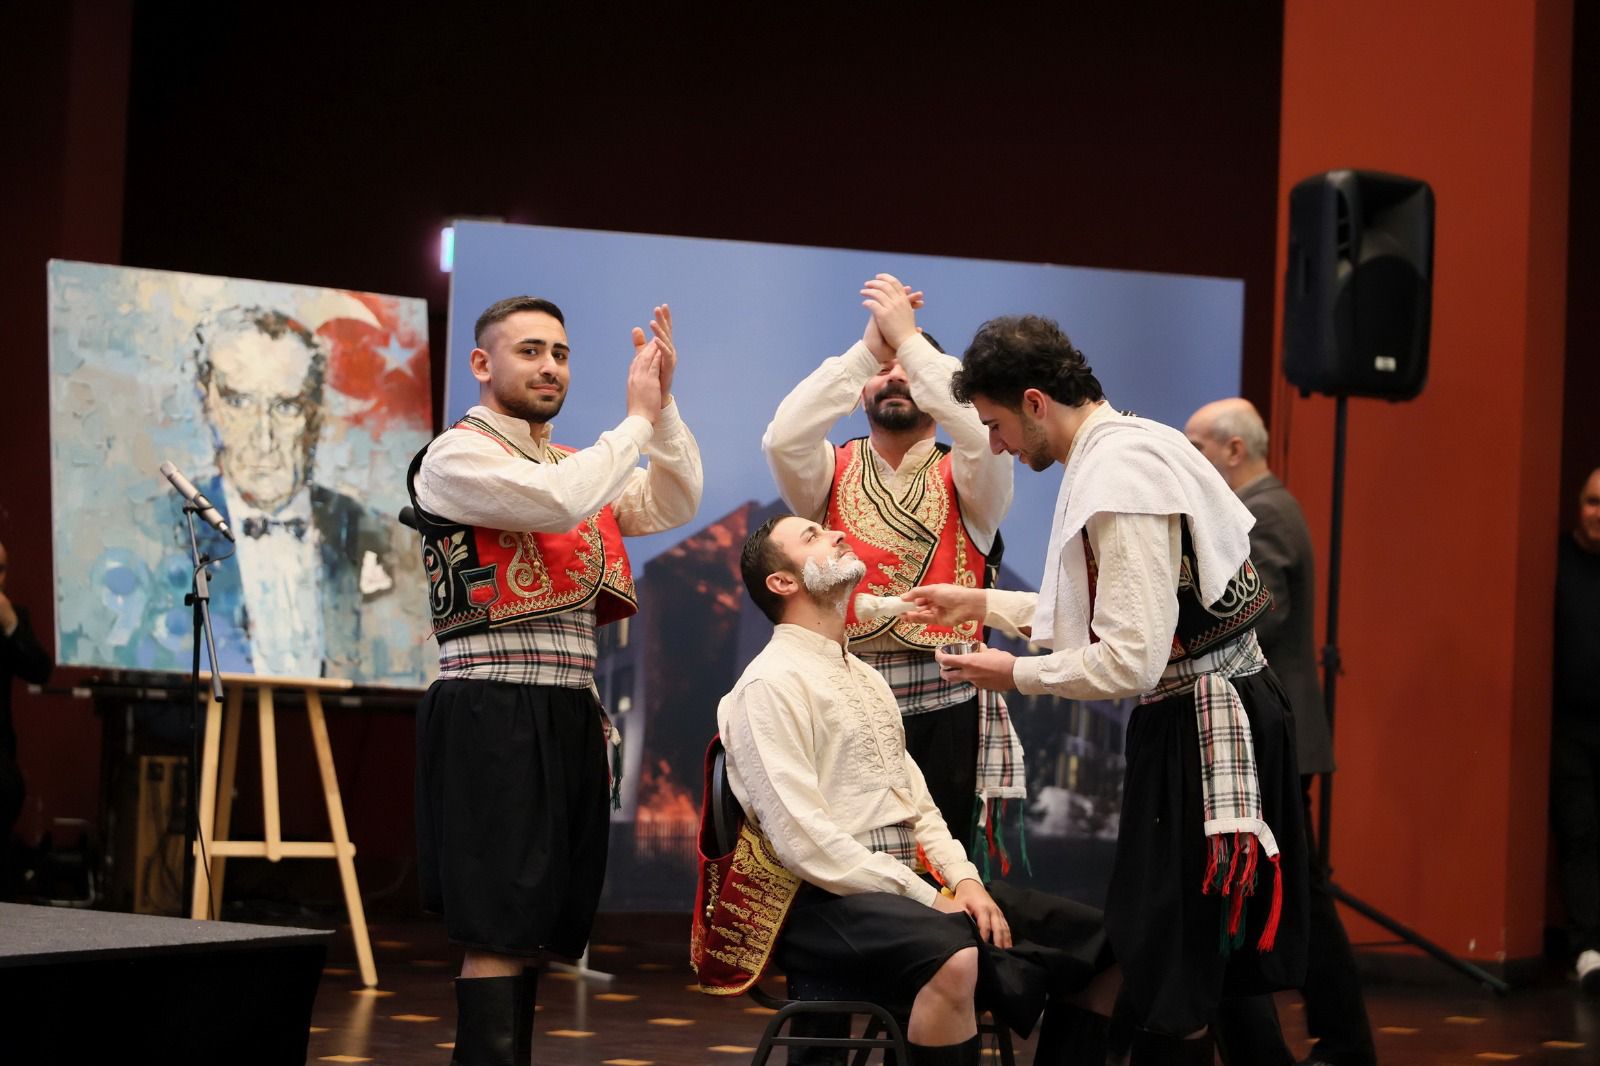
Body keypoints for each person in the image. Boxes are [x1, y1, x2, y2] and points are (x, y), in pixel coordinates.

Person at [905, 316, 1309, 1064]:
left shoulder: (1118, 473)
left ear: (1034, 402)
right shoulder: (1135, 441)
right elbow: (1118, 616)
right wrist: (983, 602)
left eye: (995, 424)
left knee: (1171, 966)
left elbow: (1128, 659)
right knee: (1186, 957)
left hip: (1202, 727)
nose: (997, 444)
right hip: (1216, 711)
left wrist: (1013, 673)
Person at [408, 296, 702, 1066]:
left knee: (535, 927)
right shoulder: (456, 456)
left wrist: (663, 408)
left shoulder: (574, 463)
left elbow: (677, 498)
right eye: (531, 351)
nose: (550, 367)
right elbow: (557, 501)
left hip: (567, 709)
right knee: (498, 929)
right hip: (493, 709)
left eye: (561, 354)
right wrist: (634, 423)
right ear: (482, 363)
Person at [710, 515, 1115, 1066]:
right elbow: (804, 842)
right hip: (822, 903)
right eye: (812, 536)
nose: (836, 533)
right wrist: (931, 899)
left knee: (1098, 942)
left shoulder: (865, 677)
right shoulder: (767, 684)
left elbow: (919, 806)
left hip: (901, 889)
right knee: (953, 955)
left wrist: (965, 881)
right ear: (782, 582)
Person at [762, 274, 1023, 860]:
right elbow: (783, 439)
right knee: (849, 863)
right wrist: (864, 353)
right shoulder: (826, 470)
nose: (896, 376)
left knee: (942, 868)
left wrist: (909, 344)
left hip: (946, 703)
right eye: (882, 371)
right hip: (844, 696)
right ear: (860, 391)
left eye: (911, 370)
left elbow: (975, 431)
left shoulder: (974, 473)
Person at [1186, 398, 1376, 1066]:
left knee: (1293, 894)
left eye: (1198, 446)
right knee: (1287, 891)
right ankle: (1317, 1042)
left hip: (1273, 734)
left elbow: (1255, 616)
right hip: (1276, 732)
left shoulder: (1262, 512)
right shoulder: (1265, 507)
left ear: (1234, 449)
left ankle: (1337, 1042)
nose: (1190, 460)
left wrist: (1178, 626)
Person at [187, 305, 423, 681]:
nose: (263, 438)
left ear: (314, 415)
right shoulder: (168, 529)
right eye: (238, 402)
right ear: (207, 404)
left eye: (285, 406)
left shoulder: (377, 536)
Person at [1551, 466, 1600, 991]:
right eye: (1592, 502)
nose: (1598, 514)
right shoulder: (1557, 560)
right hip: (1568, 723)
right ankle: (1588, 947)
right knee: (1579, 830)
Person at [0, 540, 54, 876]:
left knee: (7, 788)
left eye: (1, 570)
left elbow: (39, 670)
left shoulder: (12, 617)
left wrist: (10, 626)